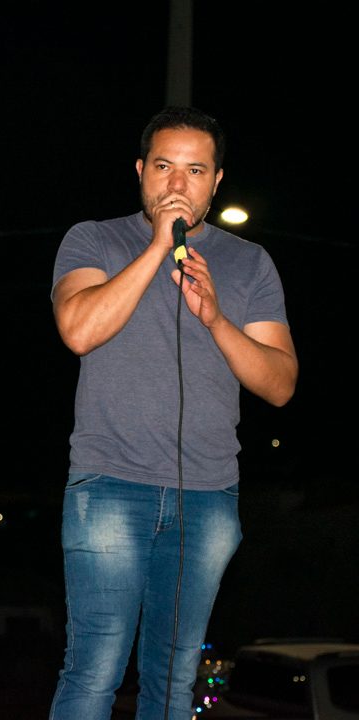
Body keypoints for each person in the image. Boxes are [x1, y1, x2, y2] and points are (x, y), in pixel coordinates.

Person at [48, 106, 298, 719]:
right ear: (140, 171)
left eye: (195, 170)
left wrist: (216, 318)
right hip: (109, 487)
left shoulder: (251, 263)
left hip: (208, 497)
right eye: (164, 167)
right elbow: (79, 330)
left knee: (173, 681)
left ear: (216, 182)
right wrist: (160, 244)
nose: (177, 185)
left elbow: (280, 383)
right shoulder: (94, 239)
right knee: (94, 670)